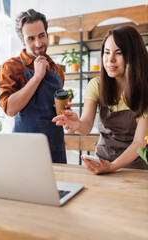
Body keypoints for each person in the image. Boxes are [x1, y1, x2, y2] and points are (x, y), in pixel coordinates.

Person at [52, 25, 148, 173]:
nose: (110, 60)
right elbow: (86, 125)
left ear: (133, 56)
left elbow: (140, 142)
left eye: (119, 53)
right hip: (102, 161)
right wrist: (77, 124)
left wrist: (112, 167)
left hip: (135, 168)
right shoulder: (96, 85)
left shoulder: (144, 90)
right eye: (106, 52)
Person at [0, 9, 67, 164]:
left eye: (41, 36)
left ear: (47, 34)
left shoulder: (57, 70)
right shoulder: (11, 67)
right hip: (25, 152)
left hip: (55, 149)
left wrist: (64, 112)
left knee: (61, 188)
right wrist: (37, 77)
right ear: (22, 41)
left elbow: (54, 111)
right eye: (31, 38)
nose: (38, 44)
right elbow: (10, 109)